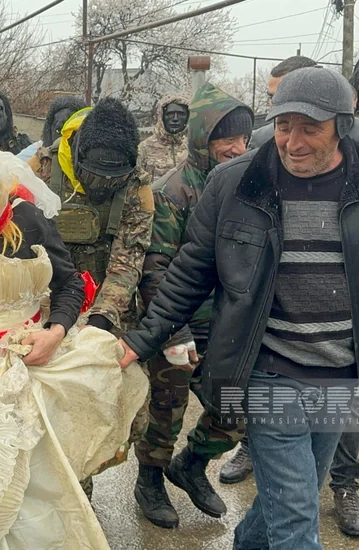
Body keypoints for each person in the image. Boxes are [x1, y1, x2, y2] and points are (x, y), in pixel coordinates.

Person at [119, 66, 359, 550]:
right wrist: (141, 340)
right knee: (297, 525)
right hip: (270, 371)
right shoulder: (235, 184)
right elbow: (190, 271)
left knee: (297, 494)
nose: (292, 142)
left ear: (343, 123)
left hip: (341, 374)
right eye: (283, 126)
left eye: (309, 128)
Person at [0, 142, 148, 549]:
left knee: (31, 491)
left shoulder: (27, 220)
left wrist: (56, 332)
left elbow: (69, 283)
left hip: (24, 369)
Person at [134, 83, 252, 529]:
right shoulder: (173, 190)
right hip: (175, 320)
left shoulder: (246, 185)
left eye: (243, 138)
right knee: (168, 406)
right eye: (226, 138)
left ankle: (192, 464)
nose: (237, 147)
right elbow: (155, 267)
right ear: (204, 138)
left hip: (225, 324)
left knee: (234, 409)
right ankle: (149, 481)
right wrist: (175, 332)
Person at [30, 98, 155, 497]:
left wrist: (99, 323)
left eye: (111, 178)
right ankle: (70, 498)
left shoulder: (138, 185)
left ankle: (83, 478)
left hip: (108, 305)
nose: (101, 184)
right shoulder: (42, 171)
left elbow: (128, 260)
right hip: (46, 306)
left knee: (128, 415)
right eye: (94, 174)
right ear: (79, 153)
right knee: (51, 408)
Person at [137, 95, 190, 182]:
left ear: (187, 117)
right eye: (170, 114)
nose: (175, 119)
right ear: (162, 116)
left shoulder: (193, 147)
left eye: (181, 114)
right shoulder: (144, 148)